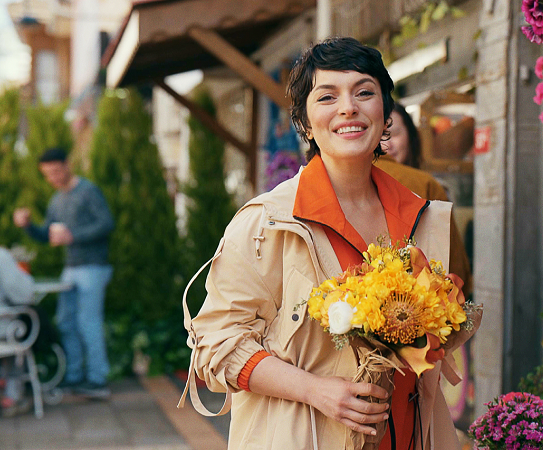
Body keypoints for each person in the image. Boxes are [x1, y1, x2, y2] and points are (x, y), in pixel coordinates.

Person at [181, 37, 480, 449]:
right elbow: (214, 345)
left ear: (386, 114)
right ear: (303, 122)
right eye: (327, 96)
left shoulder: (422, 215)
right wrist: (314, 390)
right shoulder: (267, 222)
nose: (348, 108)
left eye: (364, 93)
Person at [13, 147, 114, 399]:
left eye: (56, 171)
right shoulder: (56, 200)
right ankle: (74, 377)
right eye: (48, 174)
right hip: (70, 269)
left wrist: (74, 236)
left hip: (93, 267)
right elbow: (48, 235)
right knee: (66, 322)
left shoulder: (88, 191)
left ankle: (97, 380)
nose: (54, 178)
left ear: (68, 165)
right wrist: (27, 226)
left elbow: (106, 223)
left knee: (88, 323)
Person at [376, 103, 473, 295]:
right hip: (424, 308)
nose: (386, 144)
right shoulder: (426, 185)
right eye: (378, 136)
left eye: (392, 134)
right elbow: (455, 269)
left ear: (411, 137)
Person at [0, 246, 36, 416]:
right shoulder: (2, 257)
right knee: (18, 329)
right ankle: (12, 396)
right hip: (4, 331)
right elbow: (24, 294)